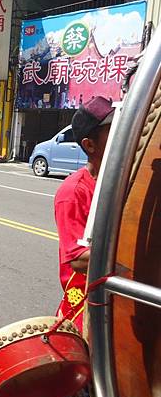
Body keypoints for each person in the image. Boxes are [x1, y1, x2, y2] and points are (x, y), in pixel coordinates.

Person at [54, 96, 114, 334]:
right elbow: (78, 259)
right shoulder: (73, 191)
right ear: (90, 145)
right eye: (113, 132)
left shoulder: (118, 180)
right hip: (87, 304)